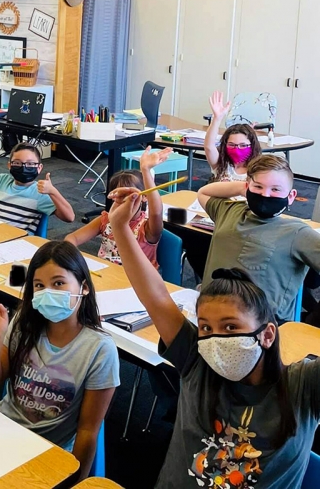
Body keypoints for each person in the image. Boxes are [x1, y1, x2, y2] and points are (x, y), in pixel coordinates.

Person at [109, 190, 320, 489]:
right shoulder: (197, 362)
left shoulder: (303, 388)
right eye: (206, 328)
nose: (216, 338)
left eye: (231, 327)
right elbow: (155, 296)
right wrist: (120, 228)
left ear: (268, 334)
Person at [0, 241, 119, 480]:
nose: (47, 292)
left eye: (58, 283)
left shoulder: (99, 349)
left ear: (83, 287)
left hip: (47, 452)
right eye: (39, 285)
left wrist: (75, 482)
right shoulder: (24, 323)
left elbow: (87, 430)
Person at [197, 154, 320, 322]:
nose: (266, 195)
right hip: (210, 314)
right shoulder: (231, 211)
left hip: (260, 326)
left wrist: (312, 322)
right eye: (258, 187)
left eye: (275, 189)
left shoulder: (297, 233)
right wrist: (243, 188)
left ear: (291, 196)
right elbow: (204, 192)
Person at [65, 146, 171, 267]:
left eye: (129, 194)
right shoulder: (105, 220)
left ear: (144, 196)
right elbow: (72, 238)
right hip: (106, 277)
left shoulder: (146, 228)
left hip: (135, 283)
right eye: (118, 194)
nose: (124, 199)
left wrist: (145, 169)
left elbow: (156, 212)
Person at [0, 136, 74, 234]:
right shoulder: (1, 181)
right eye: (17, 163)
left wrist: (53, 192)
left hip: (16, 244)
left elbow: (70, 217)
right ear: (9, 165)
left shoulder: (40, 193)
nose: (24, 167)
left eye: (30, 164)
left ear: (39, 168)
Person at [205, 91, 262, 182]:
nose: (237, 149)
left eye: (243, 145)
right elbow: (209, 146)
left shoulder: (259, 169)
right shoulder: (221, 165)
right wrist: (217, 119)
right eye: (231, 145)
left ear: (252, 145)